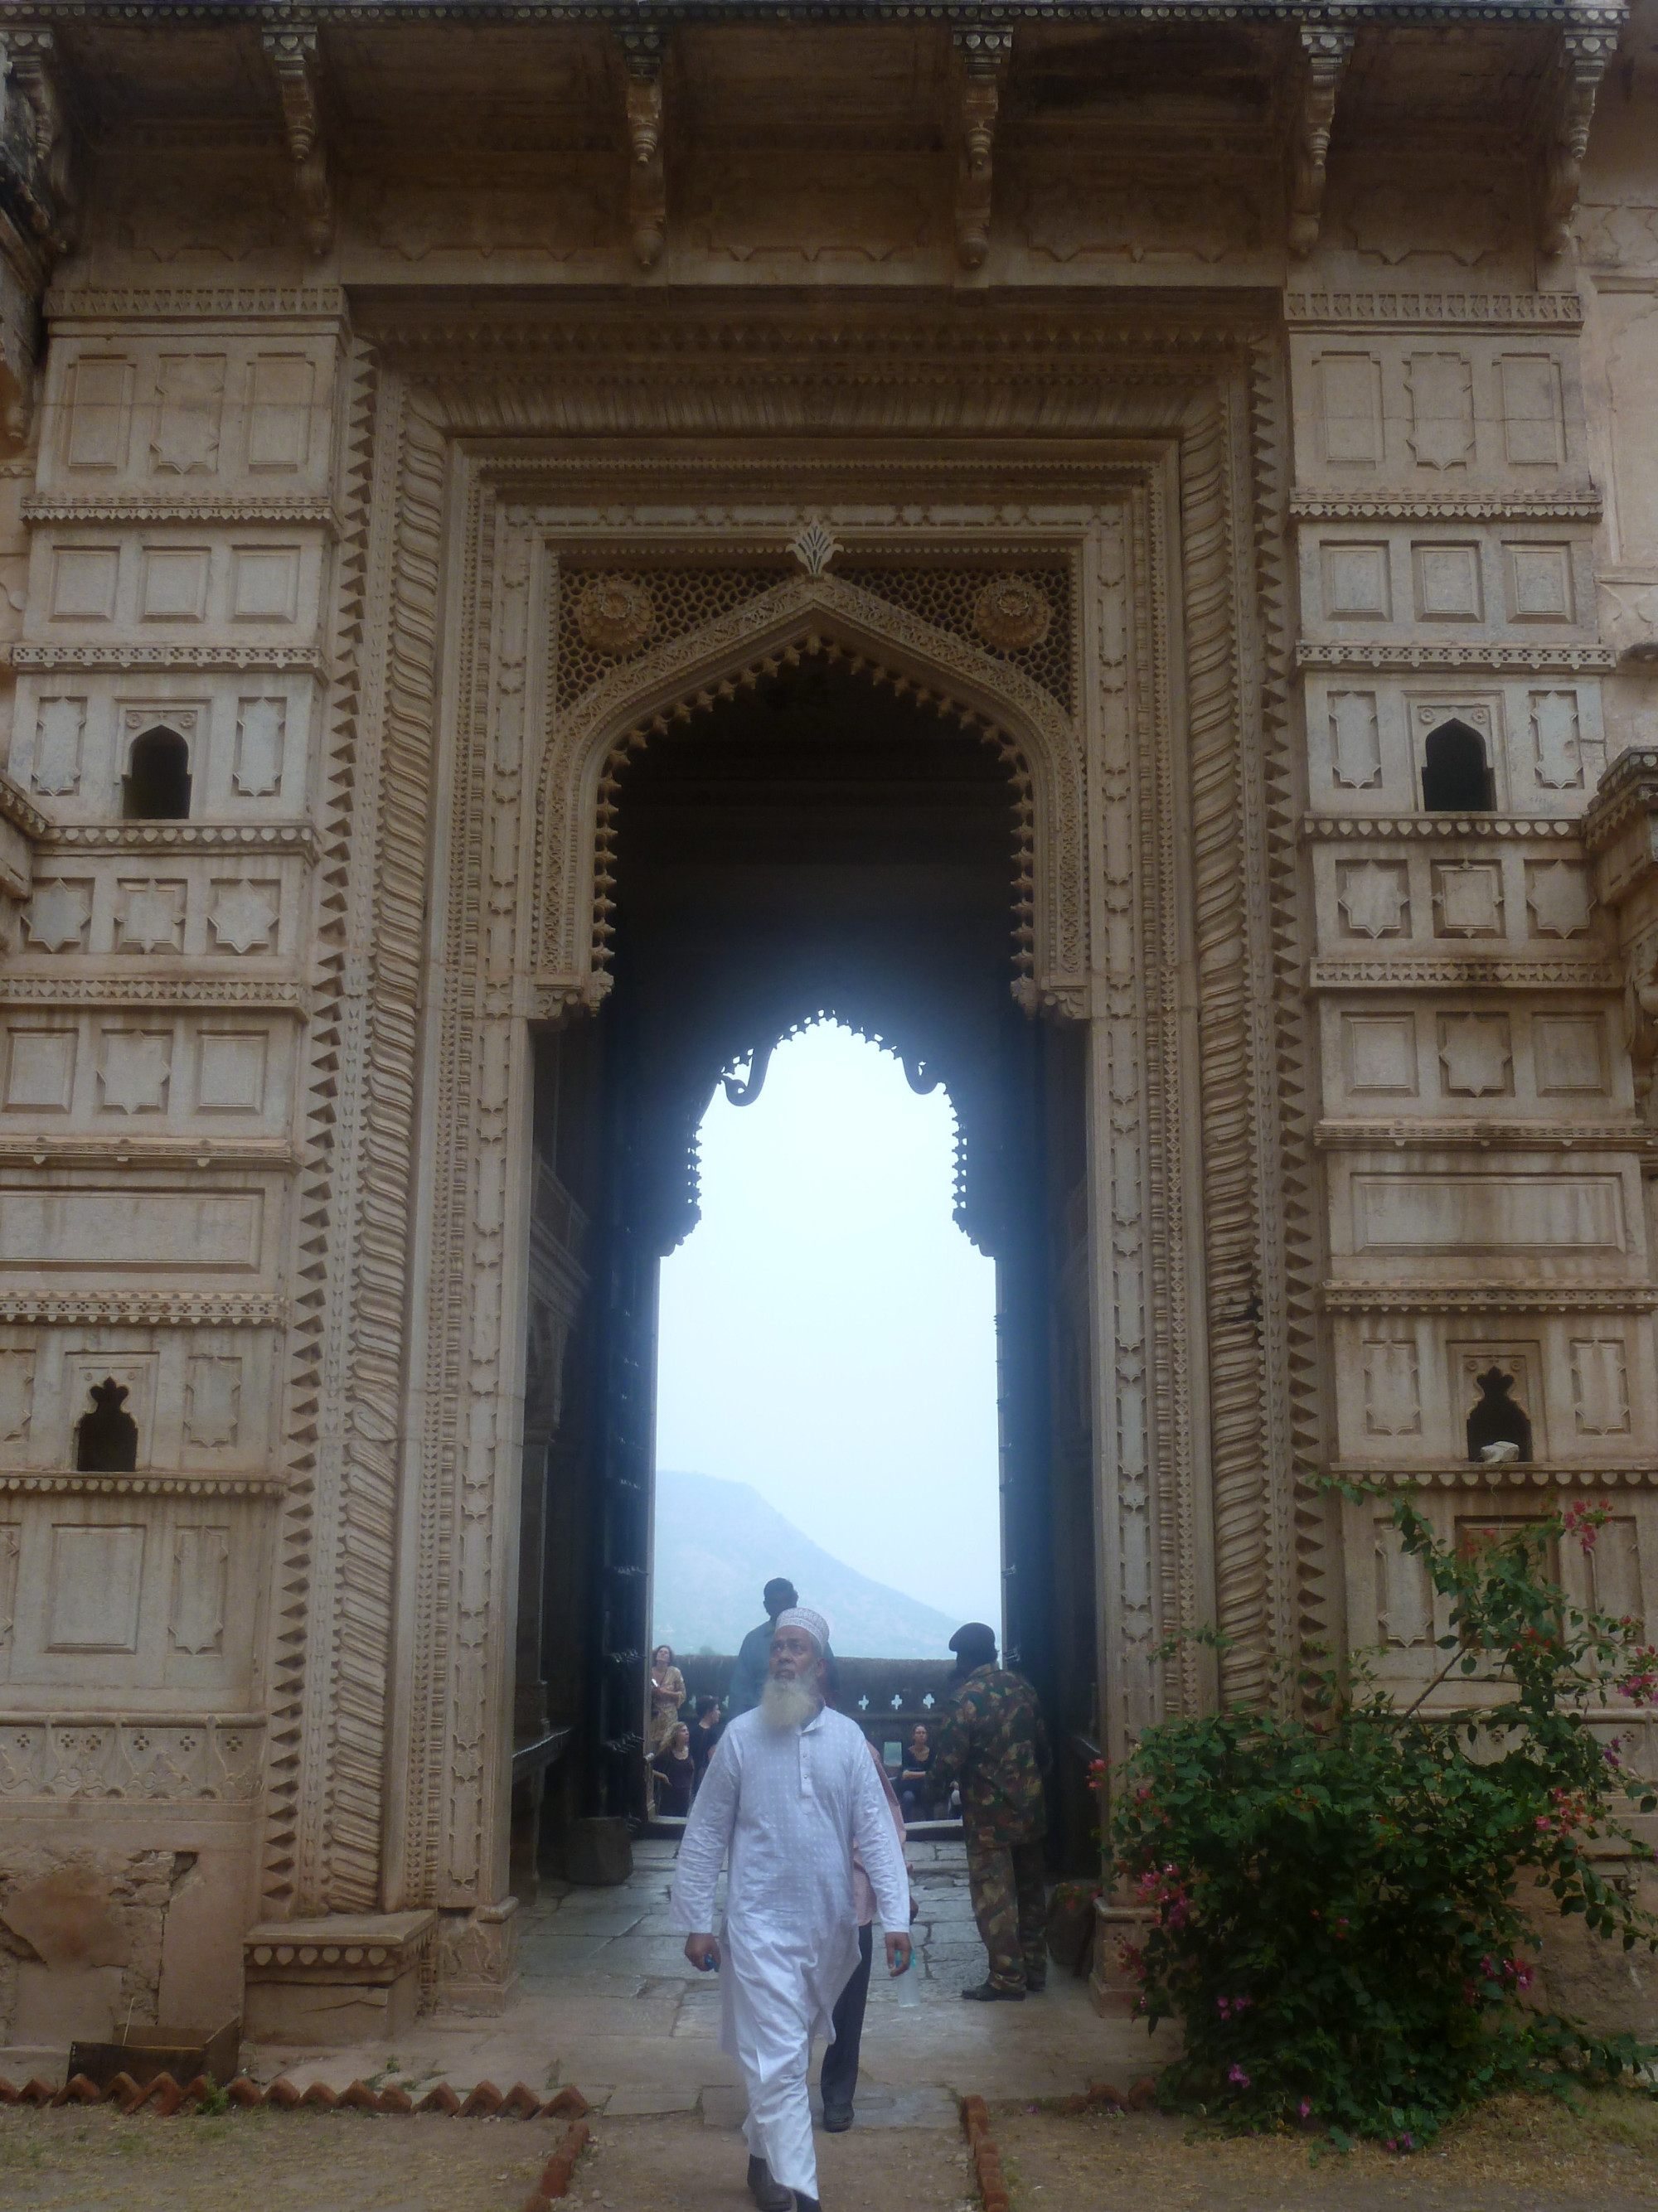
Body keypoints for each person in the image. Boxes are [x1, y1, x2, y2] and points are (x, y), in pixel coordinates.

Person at [671, 1607, 911, 2212]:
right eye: (778, 1645)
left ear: (819, 1665)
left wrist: (897, 1917)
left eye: (796, 1647)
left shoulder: (849, 1740)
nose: (783, 1655)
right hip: (756, 1927)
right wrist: (699, 1919)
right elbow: (704, 1833)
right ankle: (802, 2192)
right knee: (779, 2055)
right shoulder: (741, 1737)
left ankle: (761, 2160)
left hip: (829, 1931)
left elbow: (877, 1833)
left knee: (785, 2051)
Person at [928, 1622, 1052, 2003]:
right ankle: (1034, 1970)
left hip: (987, 1822)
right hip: (1030, 1812)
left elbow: (948, 1761)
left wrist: (930, 1790)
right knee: (1031, 1893)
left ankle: (1006, 1977)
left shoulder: (965, 1699)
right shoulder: (1023, 1688)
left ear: (964, 1659)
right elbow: (1044, 1750)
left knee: (995, 1900)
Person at [820, 1735, 909, 2135]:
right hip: (788, 1896)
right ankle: (775, 2093)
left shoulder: (856, 1747)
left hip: (850, 1892)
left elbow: (884, 1826)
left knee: (847, 2004)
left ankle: (838, 2092)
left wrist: (896, 1911)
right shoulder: (762, 1740)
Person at [725, 1579, 798, 1719]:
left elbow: (829, 1683)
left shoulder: (813, 1638)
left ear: (795, 1600)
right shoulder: (753, 1641)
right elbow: (739, 1693)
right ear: (767, 1606)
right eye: (776, 1602)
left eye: (787, 1601)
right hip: (761, 1722)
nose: (783, 1607)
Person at [652, 1721, 696, 1818]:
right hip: (669, 1798)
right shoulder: (666, 1753)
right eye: (683, 1731)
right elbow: (650, 1769)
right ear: (675, 1734)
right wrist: (663, 1777)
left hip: (684, 1797)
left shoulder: (691, 1752)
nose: (687, 1733)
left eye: (687, 1731)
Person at [649, 1644, 686, 1752]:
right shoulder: (648, 1672)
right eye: (661, 1651)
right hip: (653, 1716)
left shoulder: (675, 1672)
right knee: (651, 1748)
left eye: (666, 1653)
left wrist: (666, 1692)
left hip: (669, 1716)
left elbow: (682, 1694)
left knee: (668, 1746)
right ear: (656, 1655)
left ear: (669, 1658)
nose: (663, 1654)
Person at [897, 1724, 935, 1822]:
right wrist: (924, 1774)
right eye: (918, 1733)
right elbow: (905, 1774)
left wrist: (914, 1774)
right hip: (911, 1788)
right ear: (913, 1736)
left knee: (928, 1797)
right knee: (907, 1798)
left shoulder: (932, 1753)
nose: (921, 1735)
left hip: (927, 1788)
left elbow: (934, 1773)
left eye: (923, 1733)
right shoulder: (907, 1753)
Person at [689, 1694, 725, 1791]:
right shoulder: (712, 1735)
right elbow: (712, 1759)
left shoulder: (693, 1732)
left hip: (694, 1780)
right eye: (716, 1709)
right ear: (709, 1712)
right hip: (706, 1780)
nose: (719, 1713)